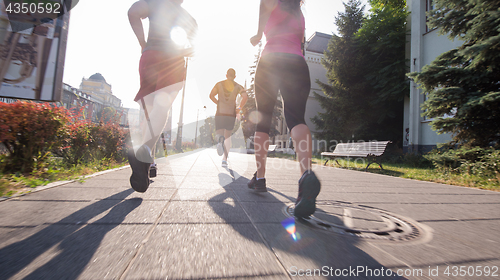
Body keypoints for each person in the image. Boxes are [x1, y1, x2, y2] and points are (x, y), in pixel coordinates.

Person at [248, 0, 321, 218]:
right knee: (297, 119)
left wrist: (256, 35)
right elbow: (301, 44)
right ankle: (305, 175)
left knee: (263, 119)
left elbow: (259, 35)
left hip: (270, 61)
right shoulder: (299, 12)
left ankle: (260, 178)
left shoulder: (269, 2)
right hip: (297, 64)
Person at [127, 0, 197, 192]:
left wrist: (143, 44)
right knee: (162, 108)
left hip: (149, 57)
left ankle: (149, 162)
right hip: (172, 60)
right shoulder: (187, 17)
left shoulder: (154, 2)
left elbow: (133, 12)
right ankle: (145, 152)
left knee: (149, 113)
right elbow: (195, 45)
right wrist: (184, 50)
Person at [209, 68, 248, 167]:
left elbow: (211, 95)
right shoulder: (238, 86)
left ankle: (219, 141)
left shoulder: (219, 84)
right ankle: (224, 160)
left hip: (220, 112)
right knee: (228, 137)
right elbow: (245, 97)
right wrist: (239, 108)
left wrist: (218, 103)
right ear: (235, 76)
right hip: (231, 113)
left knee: (219, 132)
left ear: (226, 75)